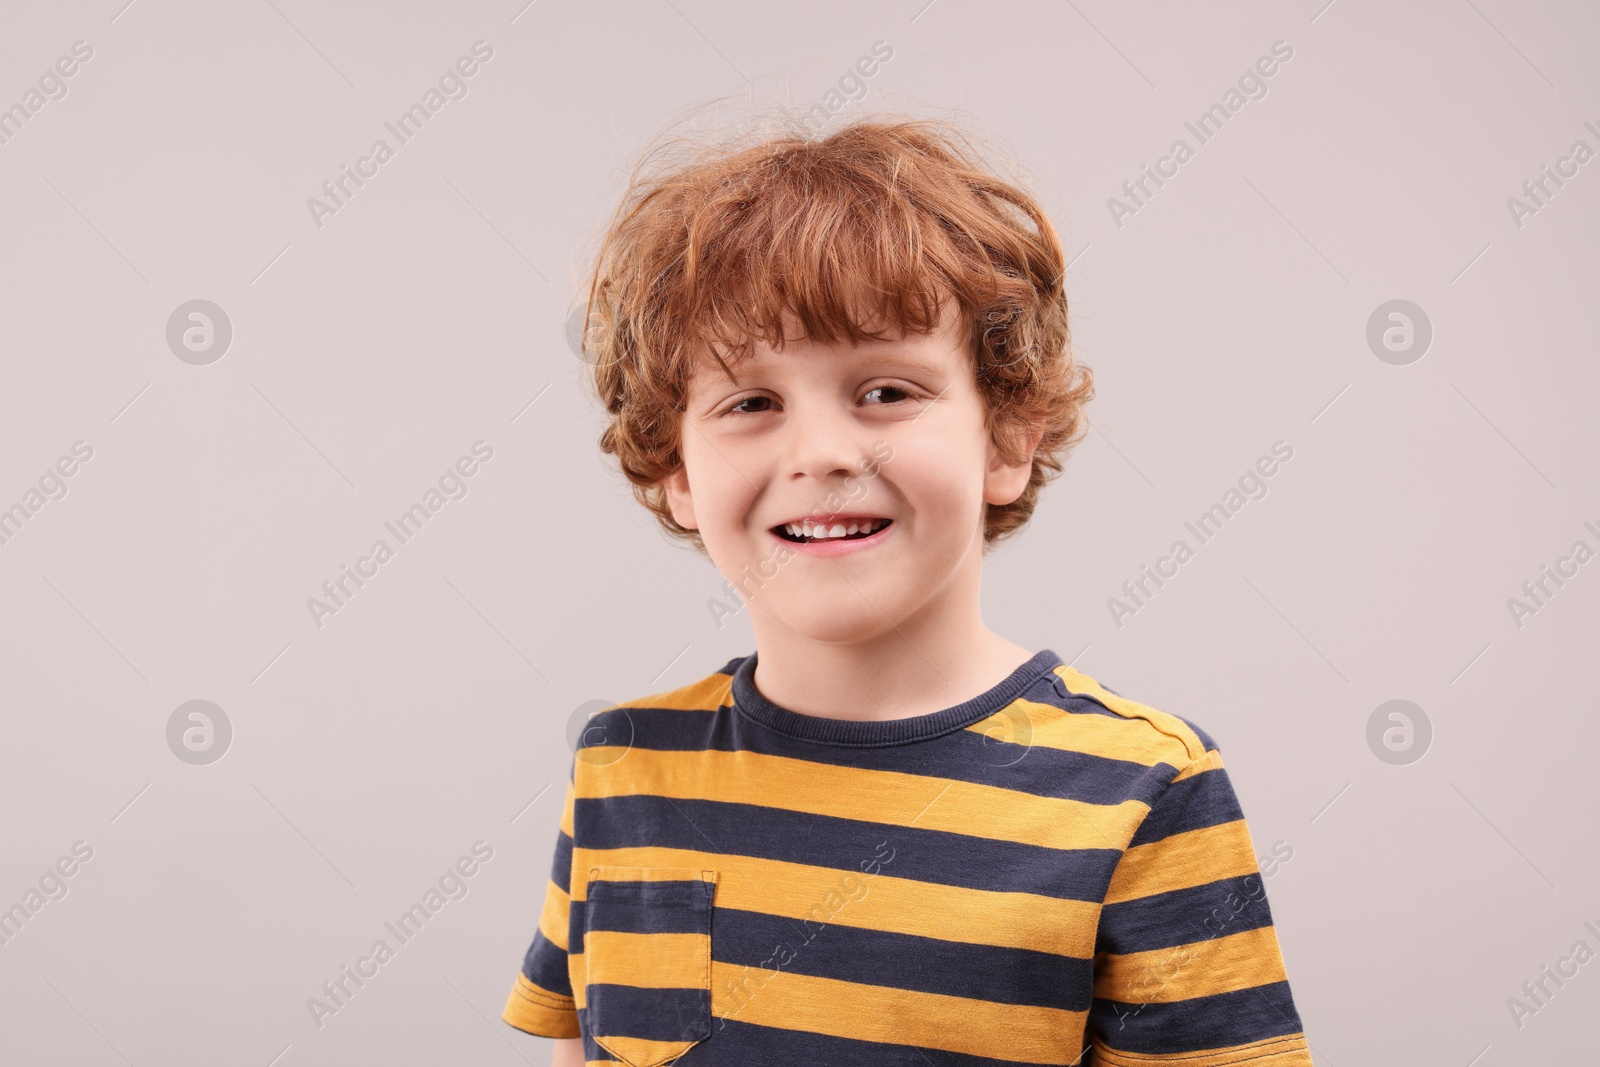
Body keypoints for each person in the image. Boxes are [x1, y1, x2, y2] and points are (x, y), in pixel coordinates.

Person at [501, 109, 1313, 1066]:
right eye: (750, 402)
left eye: (887, 390)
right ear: (676, 471)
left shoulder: (1143, 794)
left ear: (1008, 435)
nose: (823, 454)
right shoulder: (622, 767)